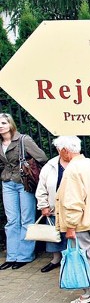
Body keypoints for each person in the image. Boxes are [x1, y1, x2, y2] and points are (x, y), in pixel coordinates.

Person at [54, 136, 90, 303]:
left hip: (80, 221)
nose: (59, 154)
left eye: (59, 150)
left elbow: (73, 200)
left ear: (65, 150)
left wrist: (70, 225)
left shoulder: (72, 170)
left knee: (84, 255)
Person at [0, 113, 48, 270]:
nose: (1, 126)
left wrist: (26, 164)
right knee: (12, 220)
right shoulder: (0, 143)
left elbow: (42, 157)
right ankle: (12, 255)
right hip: (8, 182)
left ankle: (25, 255)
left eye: (4, 123)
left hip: (24, 182)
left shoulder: (23, 139)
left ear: (10, 124)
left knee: (26, 219)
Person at [35, 138, 69, 273]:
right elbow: (41, 187)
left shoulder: (79, 164)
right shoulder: (50, 165)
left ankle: (70, 261)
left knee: (71, 236)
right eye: (61, 148)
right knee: (54, 235)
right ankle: (56, 259)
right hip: (54, 207)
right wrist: (43, 205)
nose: (64, 151)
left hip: (73, 208)